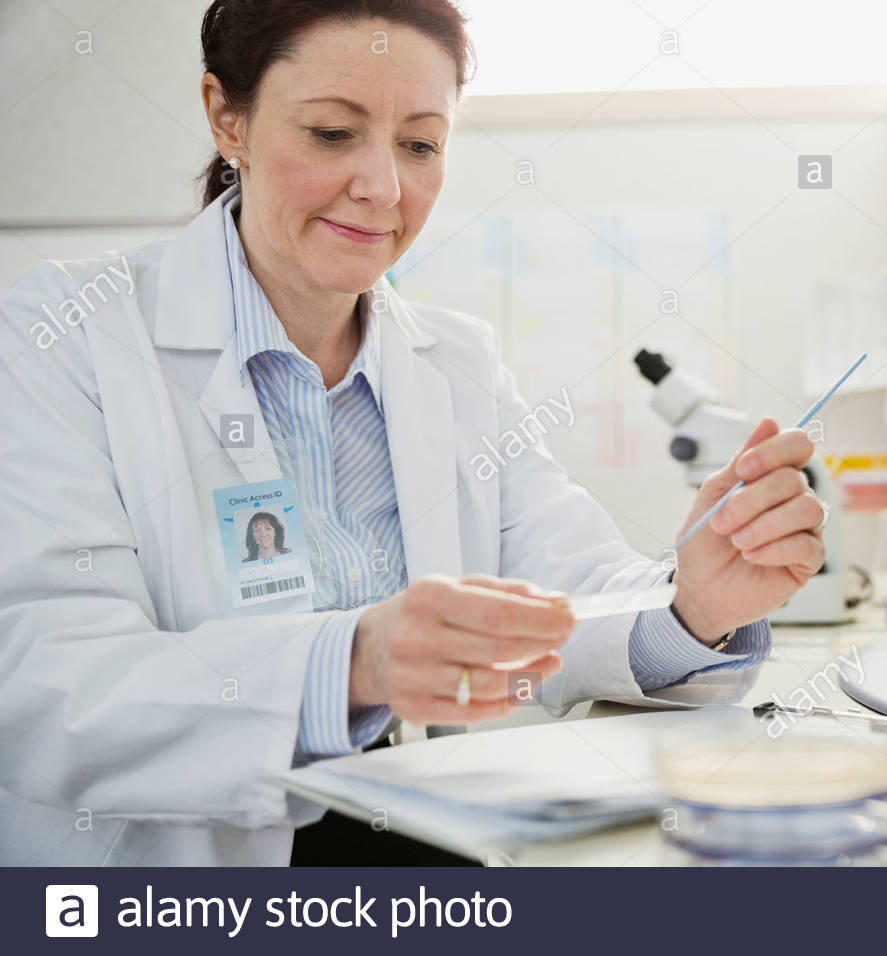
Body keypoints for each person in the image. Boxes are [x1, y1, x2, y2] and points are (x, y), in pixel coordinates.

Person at [0, 0, 828, 866]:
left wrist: (696, 606)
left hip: (430, 845)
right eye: (330, 133)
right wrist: (352, 665)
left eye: (421, 144)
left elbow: (567, 596)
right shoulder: (69, 333)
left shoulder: (458, 364)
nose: (384, 188)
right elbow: (45, 679)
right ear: (225, 116)